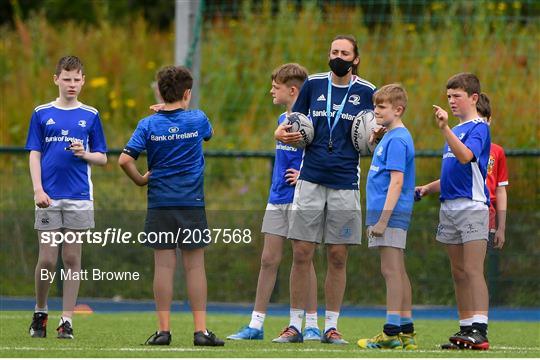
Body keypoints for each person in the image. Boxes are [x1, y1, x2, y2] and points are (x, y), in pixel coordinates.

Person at [275, 34, 377, 344]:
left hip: (345, 183)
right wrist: (280, 132)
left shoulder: (367, 91)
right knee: (302, 251)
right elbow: (291, 122)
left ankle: (331, 326)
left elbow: (375, 135)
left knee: (337, 256)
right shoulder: (314, 85)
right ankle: (295, 325)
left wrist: (376, 139)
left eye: (345, 53)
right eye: (334, 51)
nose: (339, 56)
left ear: (355, 59)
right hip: (310, 180)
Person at [118, 65, 224, 347]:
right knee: (194, 267)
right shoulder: (197, 119)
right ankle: (200, 332)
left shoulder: (148, 124)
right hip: (191, 203)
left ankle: (163, 331)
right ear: (187, 93)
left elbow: (124, 160)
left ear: (160, 92)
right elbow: (208, 133)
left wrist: (141, 180)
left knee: (163, 267)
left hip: (160, 203)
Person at [228, 64, 322, 342]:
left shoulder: (311, 120)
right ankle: (256, 325)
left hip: (302, 197)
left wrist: (305, 174)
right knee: (268, 259)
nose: (271, 90)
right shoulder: (283, 118)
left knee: (304, 259)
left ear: (292, 90)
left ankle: (313, 324)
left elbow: (323, 155)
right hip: (277, 196)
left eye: (276, 86)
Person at [25, 55, 108, 339]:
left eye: (77, 79)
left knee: (72, 257)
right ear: (56, 79)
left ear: (83, 81)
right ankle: (40, 311)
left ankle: (67, 319)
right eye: (67, 79)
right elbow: (35, 153)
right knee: (47, 259)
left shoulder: (91, 115)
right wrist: (38, 188)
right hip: (48, 196)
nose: (72, 84)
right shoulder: (41, 113)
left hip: (79, 197)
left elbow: (103, 158)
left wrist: (84, 154)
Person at [415, 73, 491, 350]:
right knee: (458, 272)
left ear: (473, 97)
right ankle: (466, 328)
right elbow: (453, 173)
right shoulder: (454, 130)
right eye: (448, 96)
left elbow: (466, 157)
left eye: (457, 96)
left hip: (472, 208)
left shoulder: (478, 127)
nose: (451, 101)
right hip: (448, 207)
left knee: (473, 269)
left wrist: (445, 129)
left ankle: (480, 330)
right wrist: (427, 188)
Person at [356, 84, 417, 350]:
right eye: (375, 106)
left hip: (389, 215)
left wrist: (382, 220)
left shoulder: (398, 139)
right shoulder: (391, 137)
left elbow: (396, 182)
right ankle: (406, 331)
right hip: (387, 214)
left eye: (382, 107)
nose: (376, 111)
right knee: (398, 271)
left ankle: (391, 331)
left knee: (390, 270)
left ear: (398, 109)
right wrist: (374, 140)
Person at [476, 94, 508, 251]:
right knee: (460, 270)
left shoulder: (497, 151)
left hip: (486, 215)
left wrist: (501, 228)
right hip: (460, 212)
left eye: (482, 121)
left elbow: (501, 191)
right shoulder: (459, 148)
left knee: (474, 268)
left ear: (489, 120)